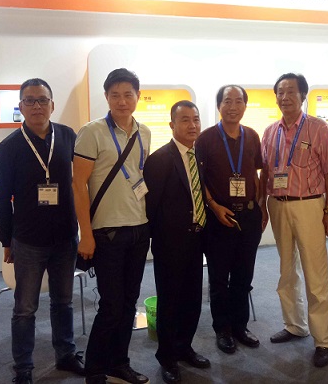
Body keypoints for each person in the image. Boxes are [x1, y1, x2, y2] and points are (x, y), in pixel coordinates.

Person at [0, 78, 84, 384]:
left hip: (65, 237)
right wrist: (6, 240)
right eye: (30, 101)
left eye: (42, 100)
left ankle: (66, 354)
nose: (36, 106)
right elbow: (1, 198)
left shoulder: (68, 136)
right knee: (25, 308)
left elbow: (82, 181)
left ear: (52, 105)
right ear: (20, 107)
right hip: (29, 240)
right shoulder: (9, 147)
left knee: (63, 302)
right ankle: (23, 368)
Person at [72, 68, 151, 384]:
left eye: (128, 94)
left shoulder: (144, 132)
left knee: (129, 303)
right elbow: (79, 185)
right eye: (115, 95)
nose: (122, 101)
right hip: (107, 233)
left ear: (137, 97)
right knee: (111, 306)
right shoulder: (91, 132)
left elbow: (139, 177)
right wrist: (86, 234)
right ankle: (94, 368)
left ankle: (120, 362)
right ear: (106, 97)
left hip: (139, 229)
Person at [259, 73, 328, 368]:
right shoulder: (270, 132)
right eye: (280, 92)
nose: (285, 97)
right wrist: (262, 205)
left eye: (291, 91)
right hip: (278, 205)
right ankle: (294, 325)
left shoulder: (318, 128)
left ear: (303, 96)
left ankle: (324, 340)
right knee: (286, 270)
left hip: (309, 205)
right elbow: (265, 173)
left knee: (316, 274)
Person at [143, 100, 211, 384]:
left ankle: (185, 347)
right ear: (172, 125)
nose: (192, 125)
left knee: (192, 299)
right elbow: (151, 207)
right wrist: (157, 242)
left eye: (196, 119)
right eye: (185, 120)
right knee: (170, 302)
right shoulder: (160, 159)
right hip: (170, 244)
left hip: (196, 238)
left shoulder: (198, 155)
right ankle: (167, 357)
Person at [195, 85, 263, 354]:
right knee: (219, 278)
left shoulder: (252, 136)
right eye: (227, 101)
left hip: (249, 216)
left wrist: (260, 205)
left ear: (245, 106)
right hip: (219, 217)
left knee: (244, 276)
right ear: (219, 106)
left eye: (238, 101)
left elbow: (256, 172)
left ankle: (239, 326)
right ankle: (222, 329)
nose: (233, 107)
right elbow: (199, 179)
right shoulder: (206, 139)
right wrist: (213, 206)